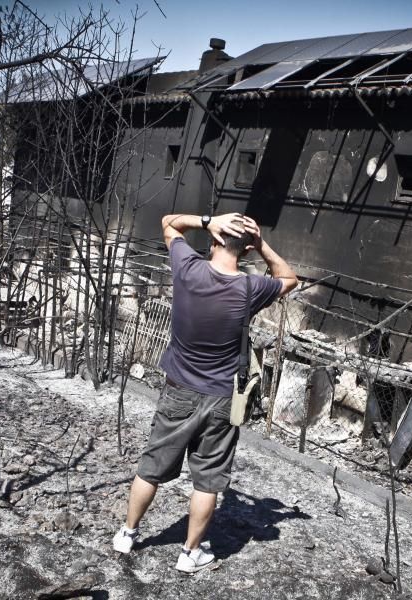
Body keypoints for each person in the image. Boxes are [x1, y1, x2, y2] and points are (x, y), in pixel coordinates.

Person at [112, 212, 297, 573]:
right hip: (221, 397)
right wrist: (259, 244)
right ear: (245, 252)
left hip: (178, 388)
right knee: (208, 479)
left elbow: (167, 223)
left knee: (151, 468)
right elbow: (289, 278)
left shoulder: (188, 268)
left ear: (214, 240)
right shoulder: (249, 289)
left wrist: (207, 219)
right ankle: (190, 553)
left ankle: (127, 533)